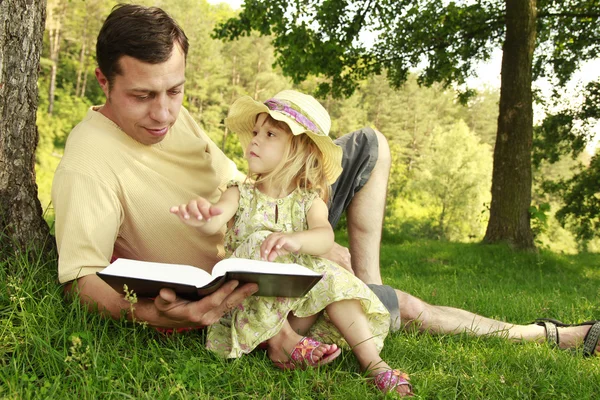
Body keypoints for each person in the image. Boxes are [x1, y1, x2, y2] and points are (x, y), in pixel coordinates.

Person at [52, 2, 599, 372]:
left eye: (175, 90)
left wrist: (295, 213)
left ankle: (364, 280)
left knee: (369, 145)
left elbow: (240, 181)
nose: (164, 112)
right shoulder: (89, 159)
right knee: (403, 306)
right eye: (144, 96)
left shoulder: (176, 117)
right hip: (247, 284)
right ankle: (544, 335)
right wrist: (153, 315)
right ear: (104, 80)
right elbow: (80, 280)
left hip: (268, 223)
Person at [170, 90, 412, 395]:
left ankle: (374, 364)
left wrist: (296, 240)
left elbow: (325, 237)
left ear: (299, 150)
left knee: (333, 278)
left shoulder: (309, 201)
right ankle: (279, 345)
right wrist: (201, 218)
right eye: (256, 132)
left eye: (270, 134)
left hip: (295, 313)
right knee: (260, 240)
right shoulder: (240, 192)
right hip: (250, 308)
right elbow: (216, 219)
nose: (255, 140)